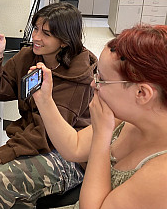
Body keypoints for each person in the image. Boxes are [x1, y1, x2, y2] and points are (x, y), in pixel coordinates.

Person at [32, 24, 167, 208]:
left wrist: (102, 135)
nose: (94, 85)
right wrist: (44, 100)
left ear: (142, 93)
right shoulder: (129, 117)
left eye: (102, 79)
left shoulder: (161, 175)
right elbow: (74, 147)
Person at [0, 2, 98, 208]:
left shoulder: (78, 77)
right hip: (35, 138)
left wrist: (1, 154)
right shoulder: (29, 56)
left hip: (68, 154)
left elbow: (49, 134)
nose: (36, 37)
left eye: (46, 34)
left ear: (64, 41)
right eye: (35, 29)